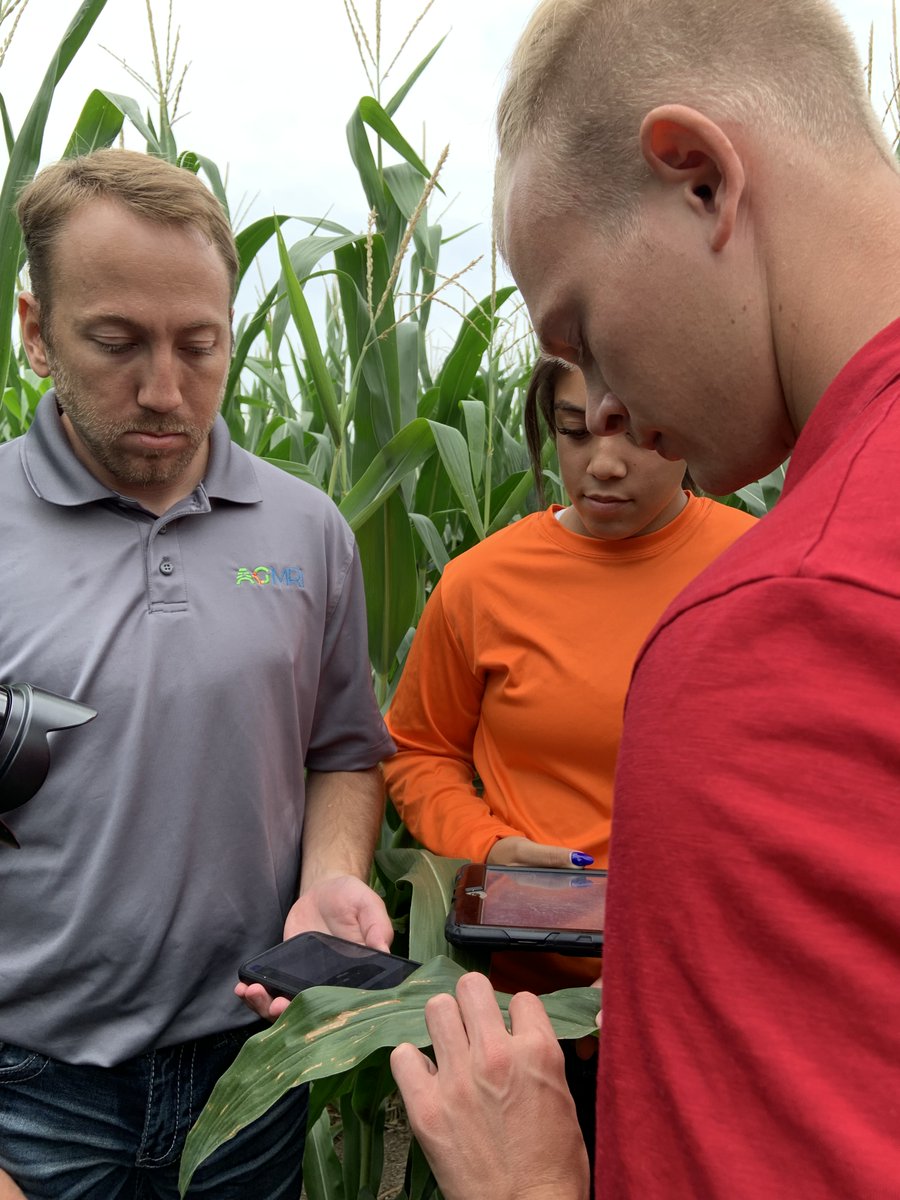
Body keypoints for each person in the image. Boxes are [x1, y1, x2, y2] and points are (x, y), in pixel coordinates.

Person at [391, 0, 900, 1196]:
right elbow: (415, 747)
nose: (609, 405)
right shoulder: (487, 583)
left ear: (701, 180)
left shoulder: (777, 618)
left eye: (579, 323)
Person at [0, 149, 395, 1199]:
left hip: (250, 1072)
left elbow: (343, 751)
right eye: (117, 343)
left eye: (200, 344)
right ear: (37, 331)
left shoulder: (308, 531)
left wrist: (331, 877)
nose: (166, 390)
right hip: (28, 1091)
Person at [383, 358, 754, 996]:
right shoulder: (480, 584)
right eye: (576, 432)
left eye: (635, 431)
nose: (604, 464)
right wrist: (488, 846)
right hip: (528, 997)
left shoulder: (756, 568)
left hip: (705, 983)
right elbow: (418, 751)